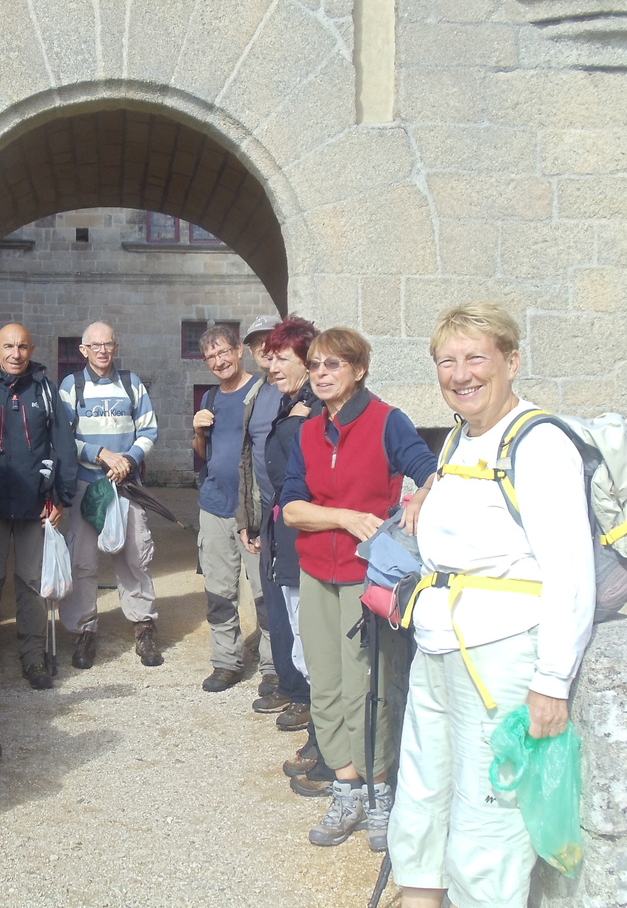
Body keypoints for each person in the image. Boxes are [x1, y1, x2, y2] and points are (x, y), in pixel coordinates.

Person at [390, 303, 595, 908]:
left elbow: (570, 570)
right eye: (447, 361)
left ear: (512, 361)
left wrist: (552, 680)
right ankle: (420, 896)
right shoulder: (461, 437)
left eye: (476, 358)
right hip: (438, 640)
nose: (461, 374)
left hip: (500, 654)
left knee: (490, 807)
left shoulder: (540, 442)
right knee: (423, 786)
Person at [281, 327, 437, 851]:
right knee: (324, 684)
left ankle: (379, 791)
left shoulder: (387, 421)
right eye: (315, 365)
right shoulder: (307, 433)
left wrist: (419, 499)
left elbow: (432, 471)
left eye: (334, 365)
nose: (321, 374)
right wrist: (345, 517)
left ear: (359, 370)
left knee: (367, 686)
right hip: (316, 574)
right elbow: (291, 509)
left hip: (368, 576)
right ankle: (346, 787)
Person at [0, 323, 78, 690]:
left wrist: (61, 497)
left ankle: (32, 655)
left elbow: (63, 444)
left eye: (23, 347)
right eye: (9, 347)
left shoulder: (45, 391)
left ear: (31, 349)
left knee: (32, 583)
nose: (16, 354)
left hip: (35, 505)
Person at [57, 321, 163, 669]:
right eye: (95, 345)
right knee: (82, 560)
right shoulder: (71, 386)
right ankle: (84, 630)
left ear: (115, 347)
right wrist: (100, 454)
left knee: (135, 556)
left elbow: (149, 429)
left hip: (126, 484)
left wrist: (128, 460)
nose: (102, 351)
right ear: (83, 350)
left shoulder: (131, 384)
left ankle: (144, 626)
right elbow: (62, 436)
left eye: (108, 344)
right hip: (86, 485)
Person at [256, 316, 326, 778]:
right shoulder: (292, 404)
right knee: (302, 641)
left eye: (283, 359)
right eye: (272, 359)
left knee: (315, 646)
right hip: (286, 535)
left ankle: (327, 746)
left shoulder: (316, 410)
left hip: (309, 542)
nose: (273, 367)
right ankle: (321, 736)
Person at [235, 314, 303, 727]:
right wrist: (250, 518)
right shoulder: (259, 392)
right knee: (276, 606)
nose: (267, 352)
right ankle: (289, 683)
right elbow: (249, 458)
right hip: (269, 514)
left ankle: (303, 692)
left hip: (295, 515)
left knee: (296, 609)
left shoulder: (303, 397)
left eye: (276, 347)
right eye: (261, 344)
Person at [192, 323, 263, 693]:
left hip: (254, 511)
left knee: (264, 593)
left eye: (224, 352)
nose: (219, 361)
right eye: (211, 357)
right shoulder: (209, 399)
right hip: (215, 507)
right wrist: (198, 432)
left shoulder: (263, 391)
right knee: (219, 592)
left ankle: (274, 666)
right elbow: (203, 454)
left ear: (238, 350)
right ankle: (226, 662)